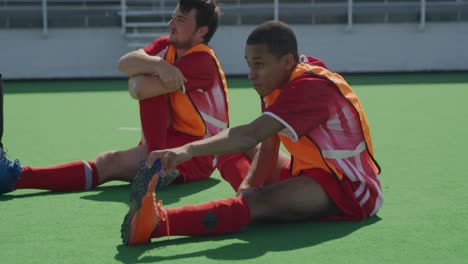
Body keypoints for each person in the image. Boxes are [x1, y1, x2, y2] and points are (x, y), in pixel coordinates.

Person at [120, 20, 384, 246]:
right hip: (306, 169)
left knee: (257, 203)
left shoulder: (310, 87)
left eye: (259, 64)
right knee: (228, 157)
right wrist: (248, 185)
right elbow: (268, 147)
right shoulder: (278, 82)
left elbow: (250, 134)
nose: (251, 74)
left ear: (287, 61)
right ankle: (245, 206)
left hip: (346, 186)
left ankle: (157, 224)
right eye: (249, 64)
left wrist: (187, 150)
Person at [0, 0, 239, 195]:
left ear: (201, 32)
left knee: (107, 164)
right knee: (108, 163)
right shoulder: (169, 47)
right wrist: (158, 64)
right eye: (173, 16)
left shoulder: (202, 62)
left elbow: (138, 88)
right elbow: (124, 63)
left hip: (197, 154)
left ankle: (14, 176)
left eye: (181, 19)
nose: (171, 23)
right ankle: (154, 162)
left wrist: (150, 68)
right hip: (174, 138)